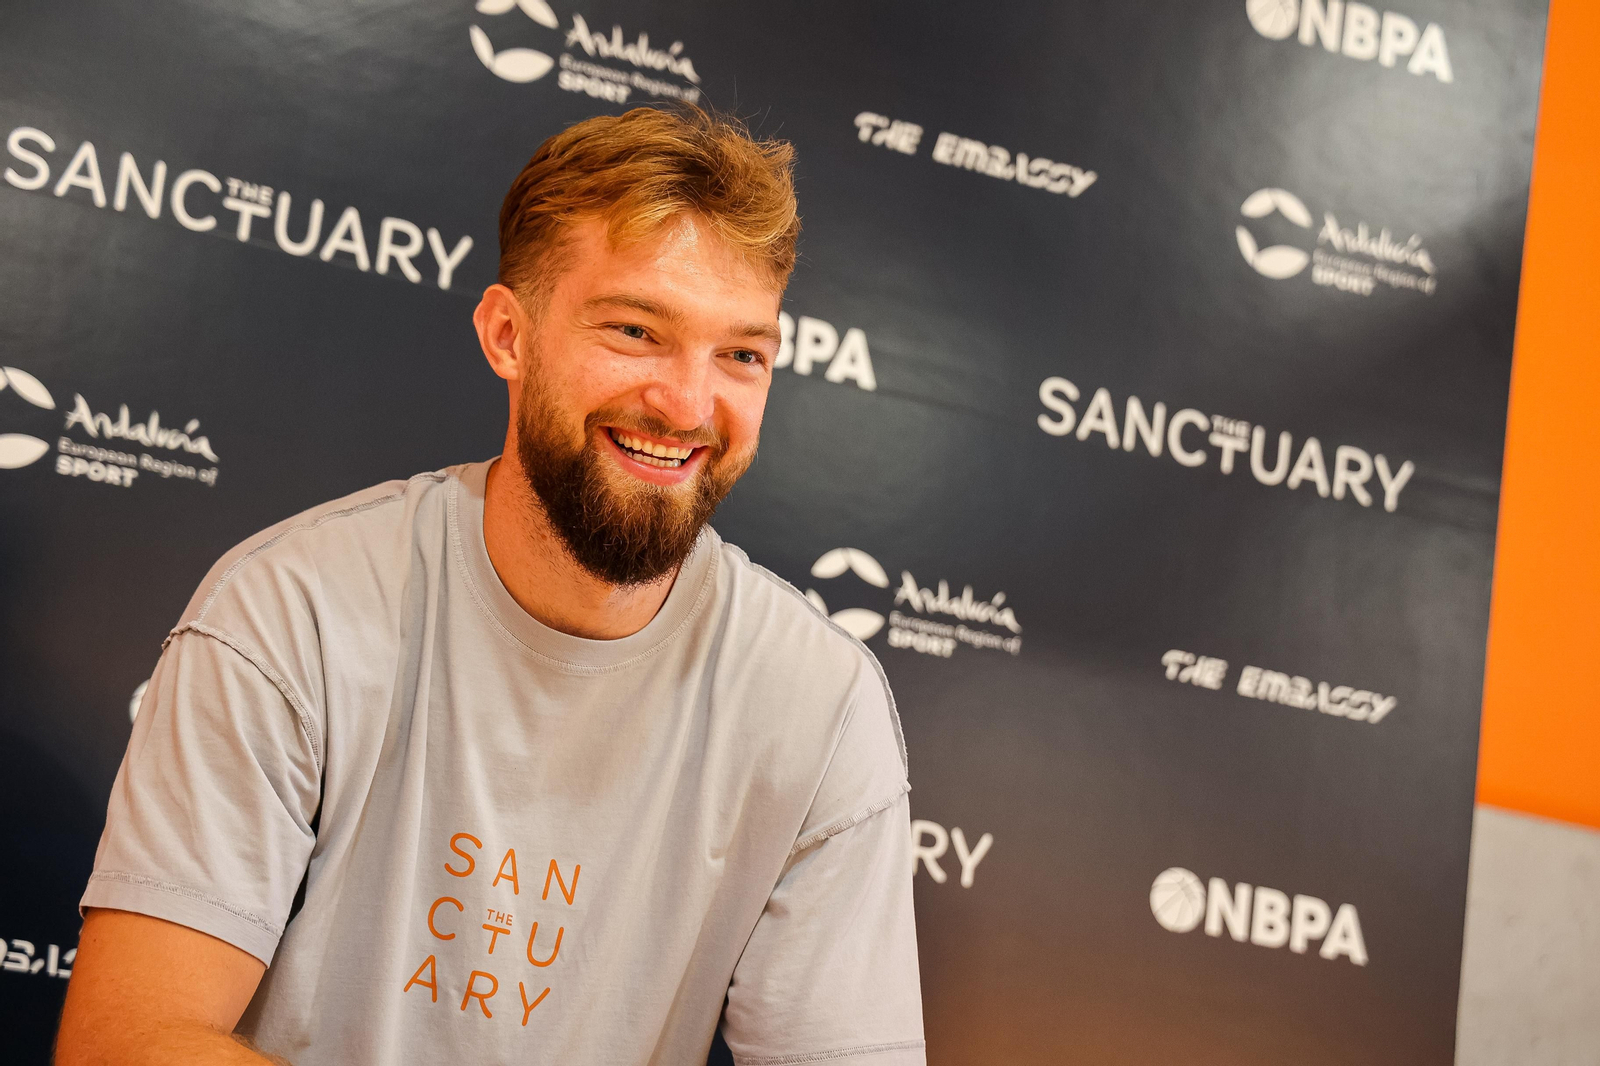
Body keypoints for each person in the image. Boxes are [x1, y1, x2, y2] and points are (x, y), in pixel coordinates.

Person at [55, 106, 924, 1066]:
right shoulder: (289, 610)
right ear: (509, 335)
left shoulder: (822, 703)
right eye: (635, 330)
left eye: (741, 355)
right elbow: (126, 1044)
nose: (688, 404)